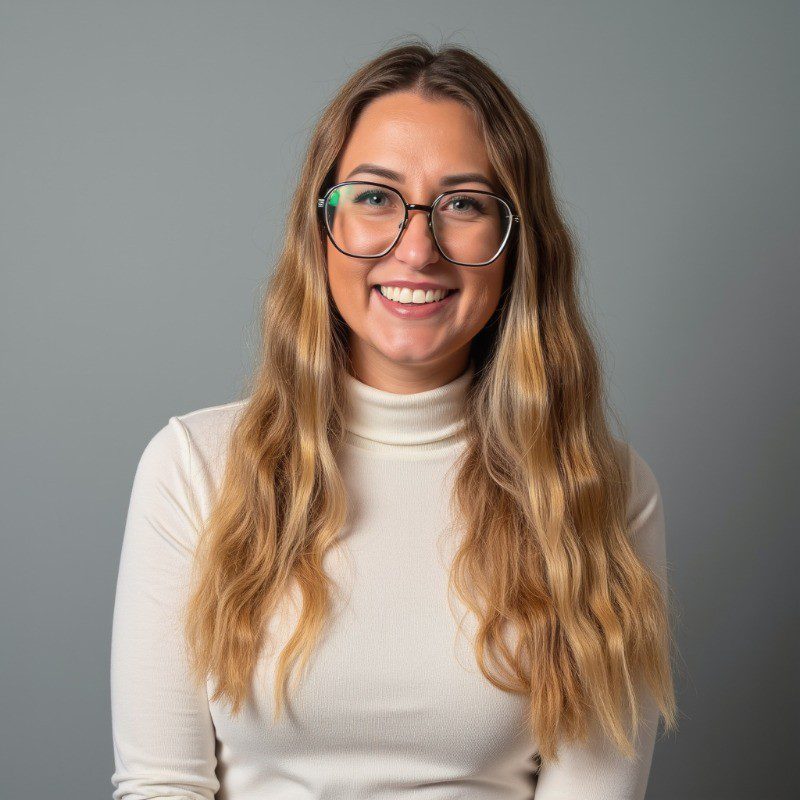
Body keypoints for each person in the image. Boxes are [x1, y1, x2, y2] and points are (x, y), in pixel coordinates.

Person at [110, 38, 677, 800]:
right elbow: (160, 785)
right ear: (321, 225)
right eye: (375, 197)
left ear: (517, 245)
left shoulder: (599, 492)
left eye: (463, 204)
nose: (416, 249)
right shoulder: (194, 468)